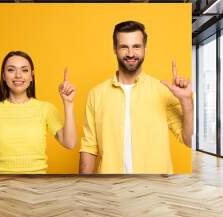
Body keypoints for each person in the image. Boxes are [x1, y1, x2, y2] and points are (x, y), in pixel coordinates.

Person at [79, 21, 193, 174]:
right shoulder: (96, 94)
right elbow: (89, 147)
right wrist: (83, 189)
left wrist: (186, 101)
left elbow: (189, 140)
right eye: (124, 47)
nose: (131, 53)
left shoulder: (163, 91)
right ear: (114, 49)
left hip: (155, 190)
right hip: (110, 189)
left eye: (136, 46)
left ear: (145, 49)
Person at [0, 51, 77, 174]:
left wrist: (68, 103)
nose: (18, 75)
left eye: (24, 70)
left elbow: (70, 143)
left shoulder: (45, 109)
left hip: (37, 188)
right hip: (0, 187)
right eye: (11, 70)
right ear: (3, 76)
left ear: (32, 76)